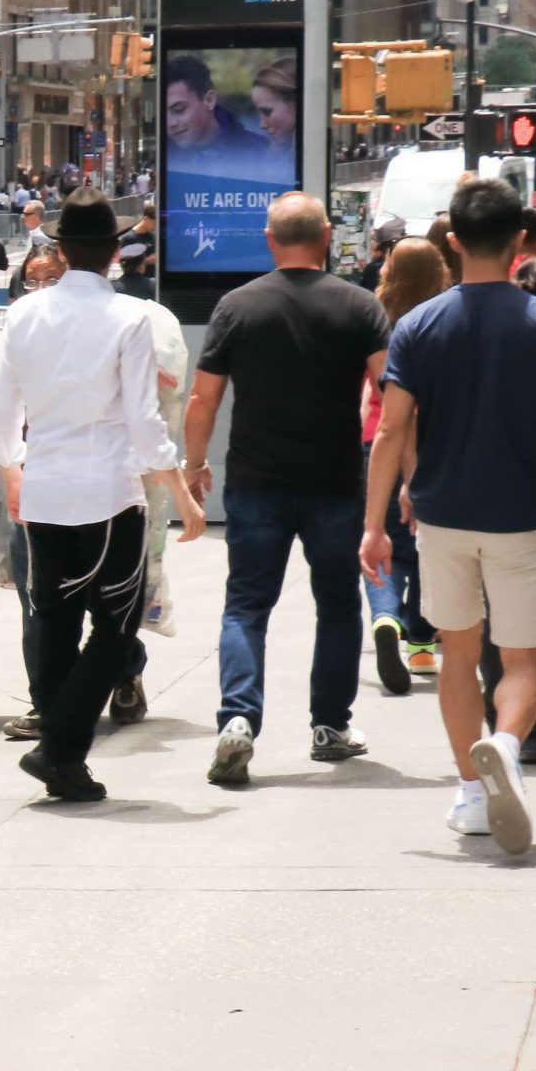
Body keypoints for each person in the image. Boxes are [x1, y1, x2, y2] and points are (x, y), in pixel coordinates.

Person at [0, 190, 205, 800]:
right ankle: (60, 747)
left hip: (44, 490)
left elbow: (2, 419)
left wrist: (14, 473)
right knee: (116, 625)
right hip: (108, 491)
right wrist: (182, 493)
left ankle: (64, 758)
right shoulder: (130, 318)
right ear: (113, 252)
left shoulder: (24, 315)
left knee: (56, 621)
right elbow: (143, 422)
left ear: (60, 252)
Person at [184, 194, 391, 787]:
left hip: (257, 481)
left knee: (246, 606)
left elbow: (203, 397)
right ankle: (329, 726)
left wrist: (195, 464)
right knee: (338, 605)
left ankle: (238, 719)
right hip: (334, 481)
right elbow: (390, 388)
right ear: (325, 235)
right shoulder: (360, 305)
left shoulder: (236, 306)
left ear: (269, 240)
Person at [363, 177, 536, 851]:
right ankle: (507, 743)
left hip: (441, 517)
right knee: (522, 661)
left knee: (457, 655)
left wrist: (374, 525)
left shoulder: (417, 325)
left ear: (455, 242)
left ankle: (471, 790)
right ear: (519, 240)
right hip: (522, 516)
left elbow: (390, 429)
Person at [364, 238, 450, 683]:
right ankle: (420, 647)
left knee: (382, 540)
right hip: (434, 444)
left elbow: (375, 399)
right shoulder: (443, 320)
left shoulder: (376, 320)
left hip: (377, 441)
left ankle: (384, 617)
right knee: (423, 549)